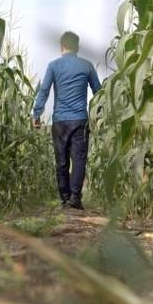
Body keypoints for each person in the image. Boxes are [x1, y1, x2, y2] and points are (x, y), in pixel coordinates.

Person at [32, 31, 101, 210]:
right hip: (80, 120)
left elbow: (44, 91)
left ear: (61, 46)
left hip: (60, 121)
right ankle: (75, 198)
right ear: (77, 47)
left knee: (61, 160)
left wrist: (36, 114)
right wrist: (100, 115)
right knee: (79, 160)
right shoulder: (87, 66)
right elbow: (98, 92)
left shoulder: (53, 66)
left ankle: (65, 198)